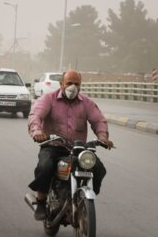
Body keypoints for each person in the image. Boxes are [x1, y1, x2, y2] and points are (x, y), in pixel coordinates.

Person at [27, 69, 114, 221]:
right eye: (69, 83)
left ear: (80, 86)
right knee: (45, 166)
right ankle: (41, 201)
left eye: (76, 84)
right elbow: (36, 115)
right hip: (53, 146)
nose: (72, 87)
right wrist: (37, 132)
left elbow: (98, 120)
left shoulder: (86, 102)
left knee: (99, 169)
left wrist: (103, 137)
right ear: (61, 84)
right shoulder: (49, 99)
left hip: (78, 148)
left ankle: (84, 200)